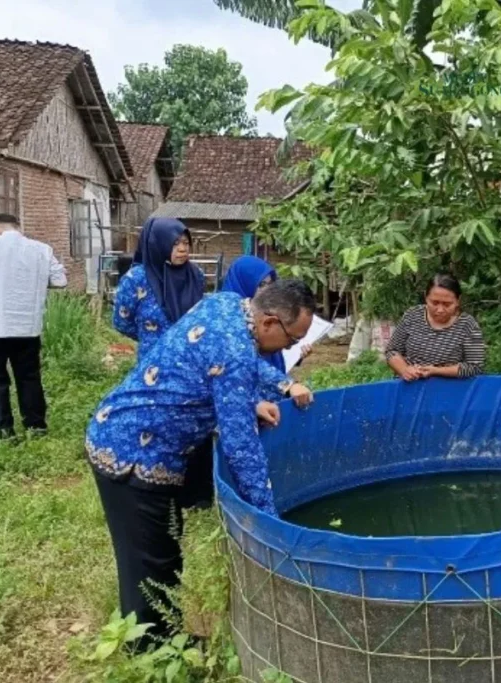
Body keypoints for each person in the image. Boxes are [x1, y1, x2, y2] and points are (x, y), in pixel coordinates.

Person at [86, 279, 316, 641]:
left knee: (162, 551)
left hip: (123, 428)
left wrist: (269, 391)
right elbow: (242, 448)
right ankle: (152, 650)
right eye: (292, 340)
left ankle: (161, 637)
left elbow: (218, 365)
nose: (293, 346)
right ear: (270, 322)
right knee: (149, 563)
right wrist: (271, 523)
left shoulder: (227, 305)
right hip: (134, 454)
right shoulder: (236, 351)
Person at [0, 214, 67, 437]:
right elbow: (60, 280)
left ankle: (1, 428)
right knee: (29, 377)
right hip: (28, 326)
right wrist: (36, 282)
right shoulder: (41, 249)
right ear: (18, 227)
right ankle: (36, 425)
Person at [114, 217, 204, 360]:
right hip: (153, 363)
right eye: (175, 243)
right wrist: (150, 336)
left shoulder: (195, 275)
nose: (182, 248)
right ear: (158, 244)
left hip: (190, 362)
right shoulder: (136, 279)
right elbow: (122, 322)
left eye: (186, 243)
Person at [221, 255, 312, 373]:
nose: (267, 290)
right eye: (262, 285)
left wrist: (296, 354)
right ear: (243, 282)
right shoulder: (225, 319)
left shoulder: (269, 312)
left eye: (270, 284)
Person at [385, 274, 486, 380]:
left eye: (447, 304)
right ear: (426, 297)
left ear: (458, 301)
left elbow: (475, 367)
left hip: (448, 391)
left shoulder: (467, 325)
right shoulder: (412, 315)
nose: (440, 310)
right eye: (435, 303)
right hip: (410, 387)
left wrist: (436, 371)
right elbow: (392, 351)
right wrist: (404, 370)